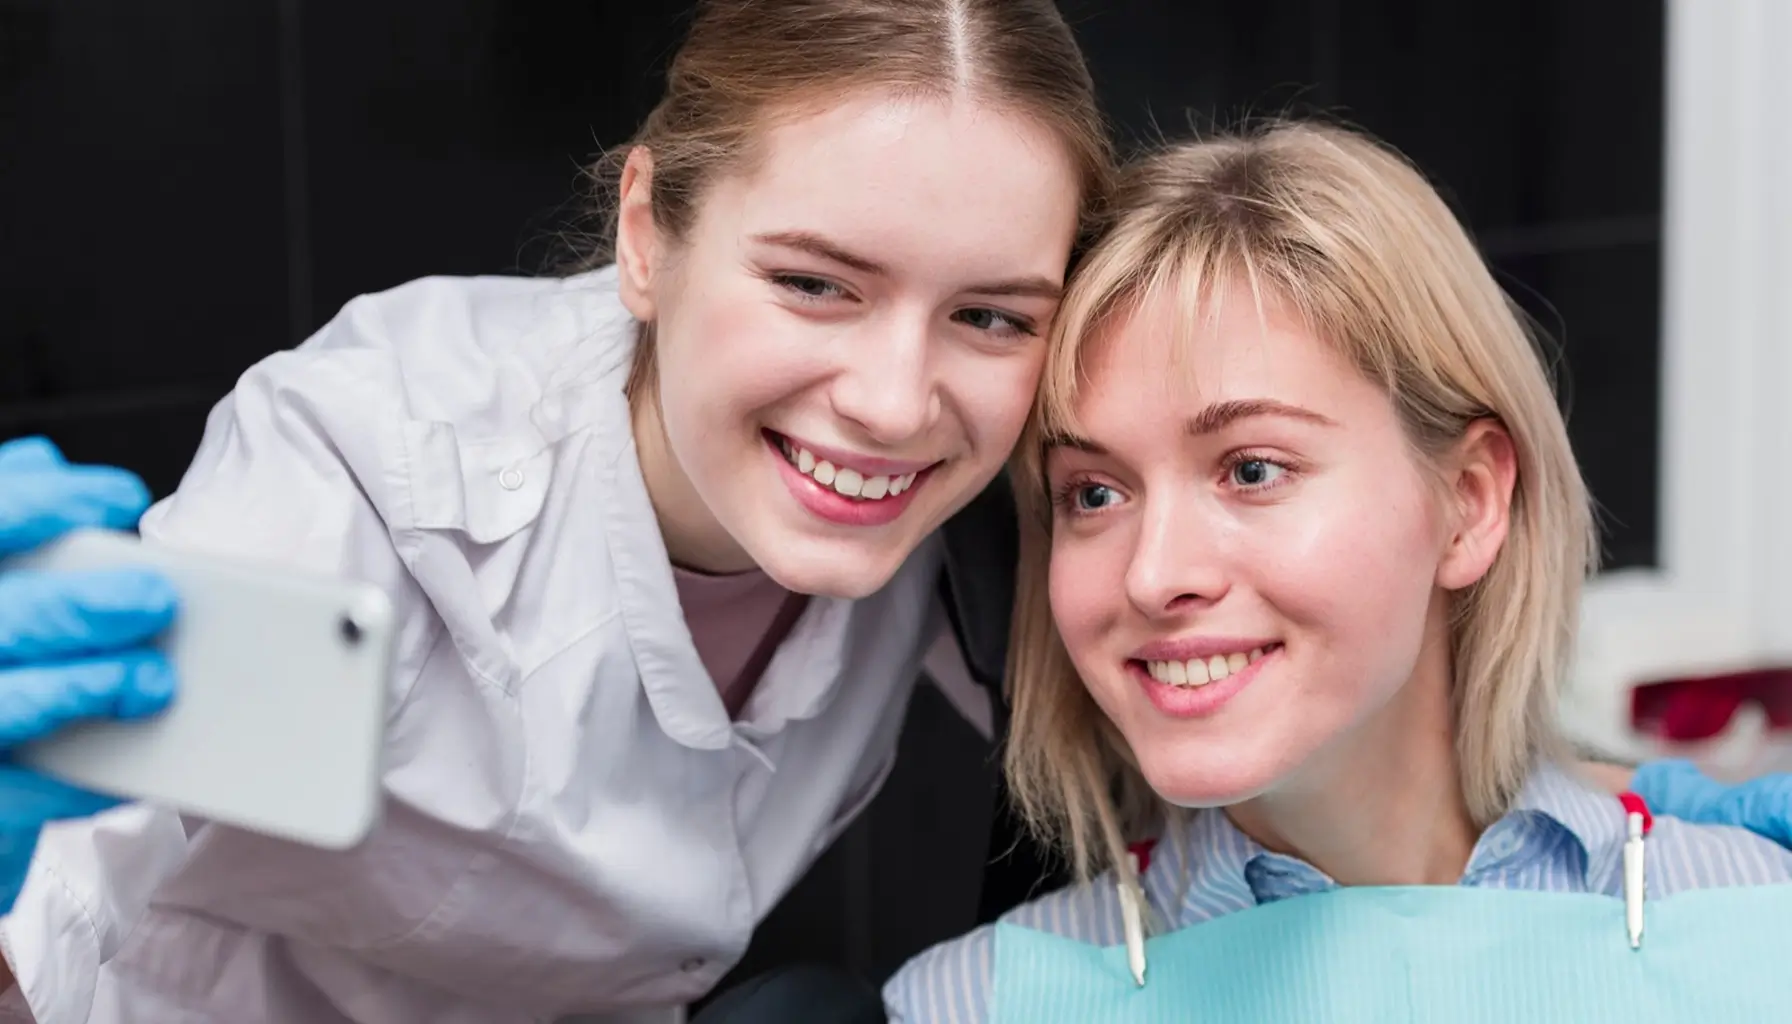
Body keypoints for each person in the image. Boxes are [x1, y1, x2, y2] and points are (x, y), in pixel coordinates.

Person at [1, 6, 1789, 1022]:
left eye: (990, 314)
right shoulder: (379, 473)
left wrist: (1583, 824)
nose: (890, 396)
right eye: (814, 282)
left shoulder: (955, 503)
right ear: (645, 229)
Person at [883, 121, 1792, 1022]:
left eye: (1252, 469)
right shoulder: (975, 1006)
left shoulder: (1755, 926)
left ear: (1469, 501)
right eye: (1092, 493)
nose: (1153, 576)